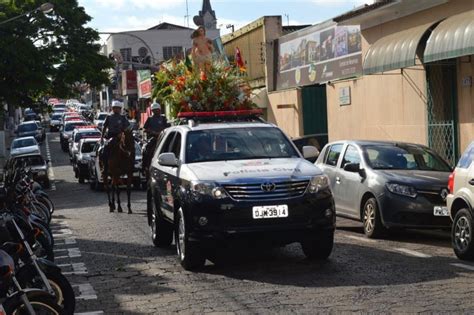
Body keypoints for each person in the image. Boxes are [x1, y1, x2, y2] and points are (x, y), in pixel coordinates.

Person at [100, 101, 130, 172]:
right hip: (111, 136)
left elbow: (127, 128)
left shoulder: (123, 117)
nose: (116, 109)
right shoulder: (109, 117)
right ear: (112, 109)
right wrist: (101, 137)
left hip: (121, 137)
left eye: (118, 108)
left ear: (120, 109)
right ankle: (105, 167)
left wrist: (123, 133)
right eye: (115, 108)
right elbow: (104, 127)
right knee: (104, 150)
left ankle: (131, 167)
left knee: (129, 149)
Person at [142, 103, 169, 176]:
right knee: (145, 148)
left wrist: (162, 132)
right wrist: (152, 132)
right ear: (152, 111)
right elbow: (144, 129)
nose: (156, 111)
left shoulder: (163, 118)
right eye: (154, 110)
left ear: (160, 110)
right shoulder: (150, 118)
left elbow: (168, 127)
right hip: (153, 138)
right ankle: (144, 167)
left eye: (157, 110)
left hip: (163, 138)